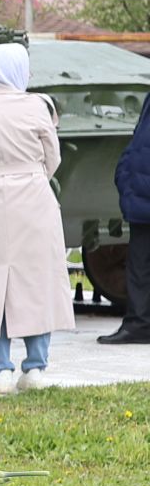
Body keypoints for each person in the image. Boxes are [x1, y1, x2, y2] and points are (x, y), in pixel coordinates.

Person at [0, 43, 76, 392]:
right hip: (34, 198)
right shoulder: (37, 107)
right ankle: (35, 367)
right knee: (36, 278)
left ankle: (1, 369)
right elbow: (52, 158)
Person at [101, 96, 150, 343]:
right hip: (141, 193)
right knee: (139, 264)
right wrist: (125, 172)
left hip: (144, 189)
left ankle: (139, 324)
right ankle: (138, 324)